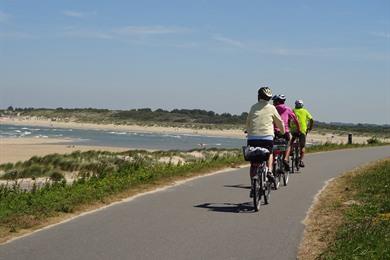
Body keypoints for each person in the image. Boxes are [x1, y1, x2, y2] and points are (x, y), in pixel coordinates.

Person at [245, 86, 285, 192]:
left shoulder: (253, 107)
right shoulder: (272, 108)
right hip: (267, 138)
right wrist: (283, 132)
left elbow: (248, 121)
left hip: (252, 138)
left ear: (259, 96)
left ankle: (253, 186)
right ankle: (269, 171)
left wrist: (248, 131)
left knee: (254, 163)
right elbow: (279, 122)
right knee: (270, 153)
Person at [272, 94, 300, 171]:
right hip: (285, 131)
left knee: (274, 145)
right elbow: (295, 120)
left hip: (274, 131)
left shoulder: (273, 108)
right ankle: (285, 158)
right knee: (289, 144)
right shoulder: (288, 109)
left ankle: (274, 159)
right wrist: (298, 129)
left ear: (277, 101)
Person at [291, 99, 314, 167]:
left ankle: (291, 151)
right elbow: (311, 120)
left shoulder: (293, 110)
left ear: (295, 104)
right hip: (303, 131)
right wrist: (310, 127)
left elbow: (289, 119)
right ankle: (300, 160)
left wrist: (289, 126)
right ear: (302, 105)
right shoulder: (305, 111)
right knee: (302, 146)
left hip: (294, 130)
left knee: (291, 142)